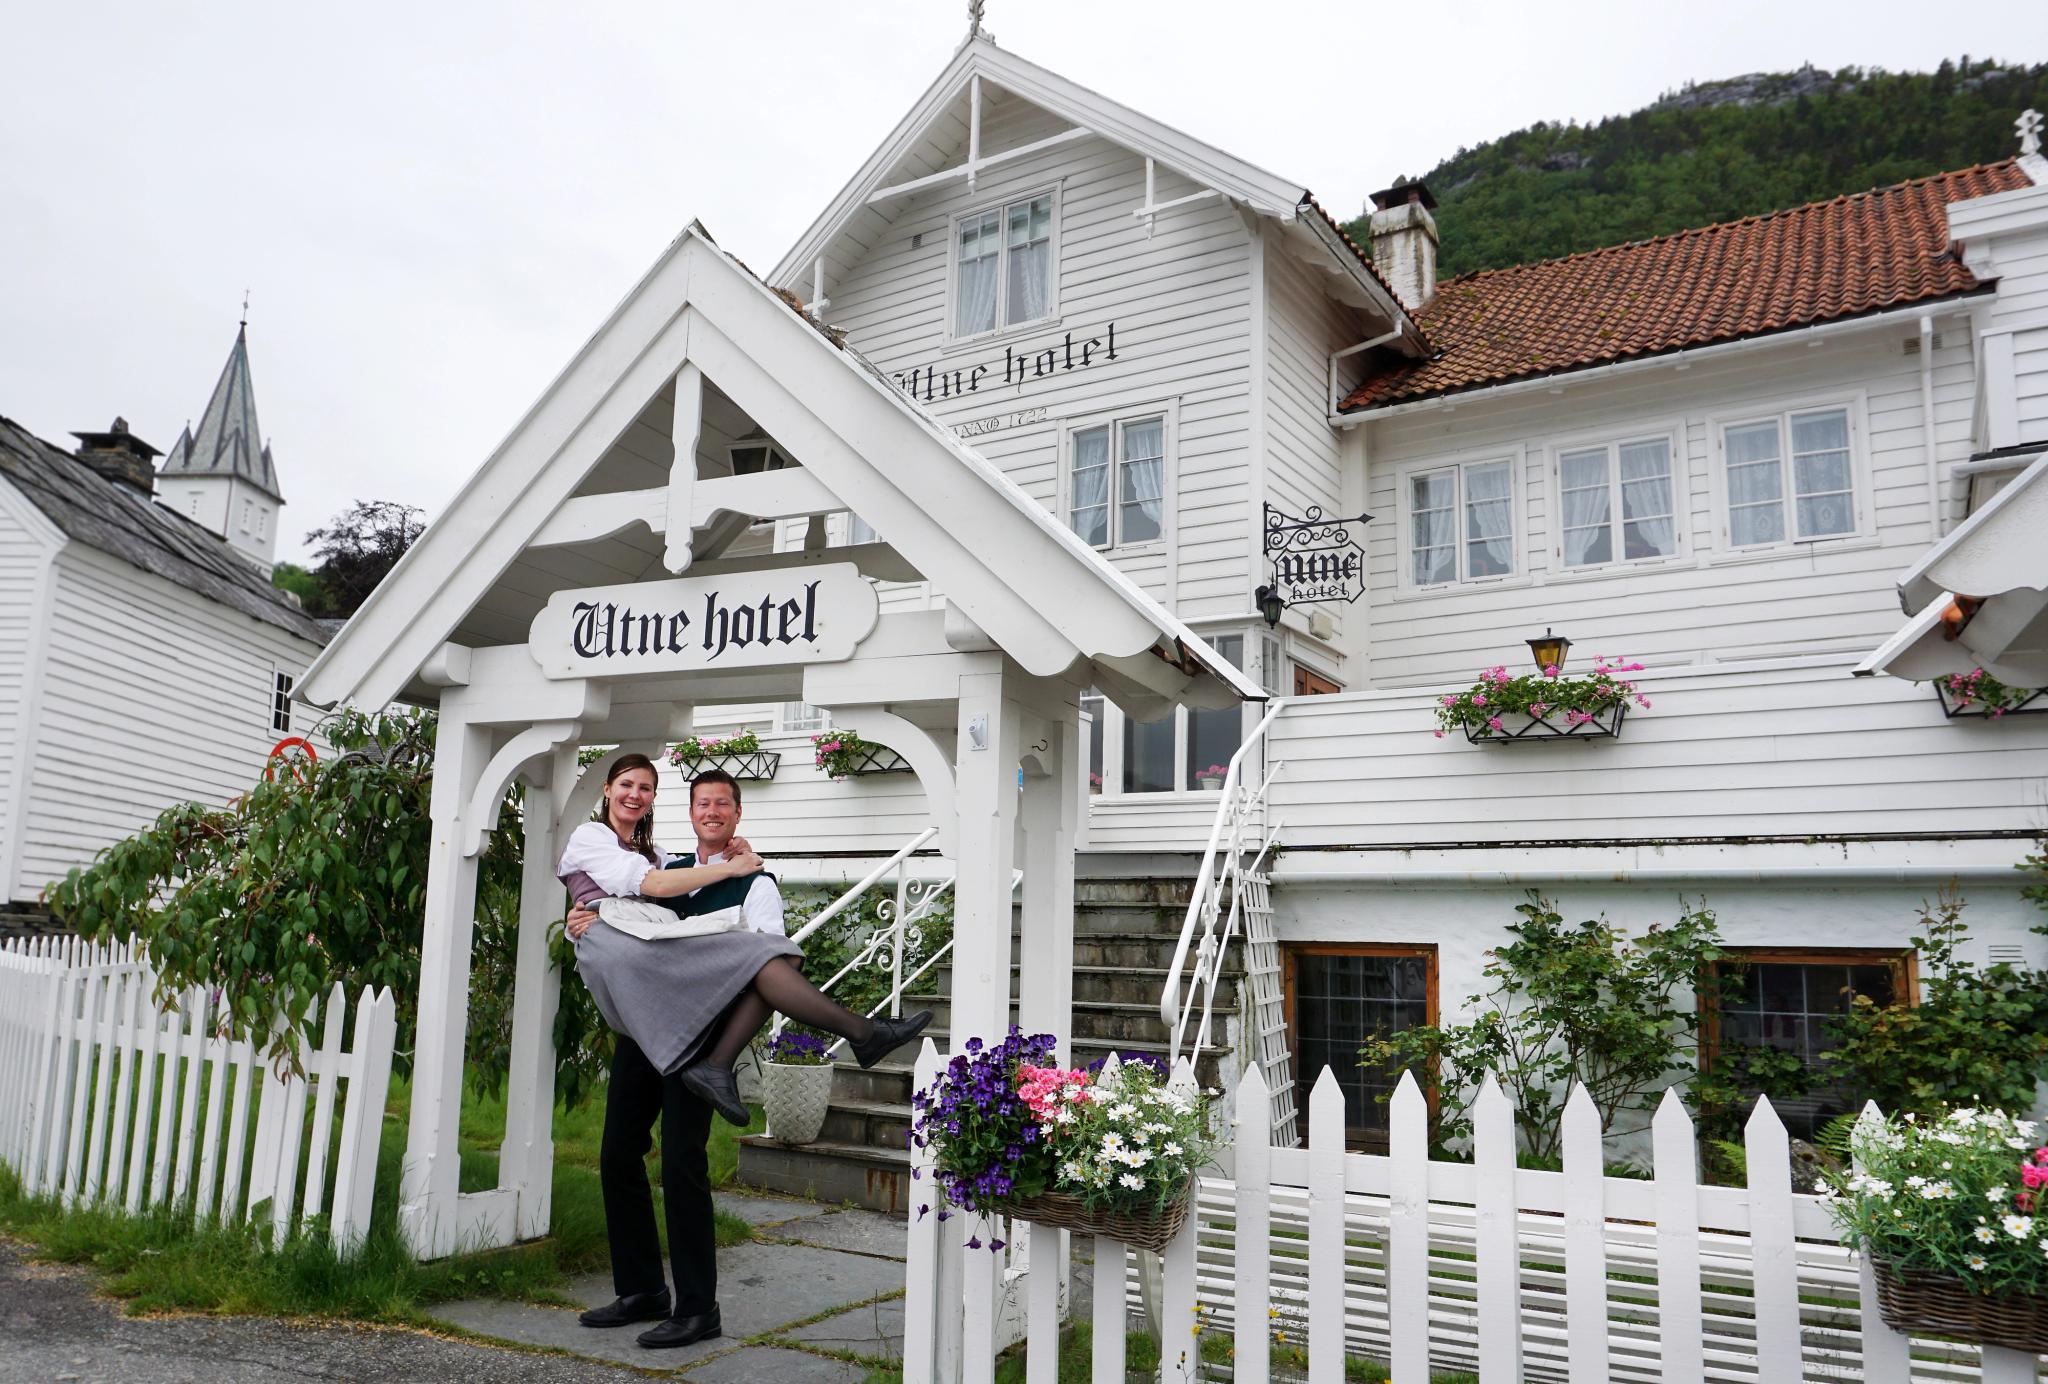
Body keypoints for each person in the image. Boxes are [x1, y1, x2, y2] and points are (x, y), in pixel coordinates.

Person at [560, 755, 929, 1349]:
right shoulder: (666, 864)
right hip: (642, 1027)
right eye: (701, 803)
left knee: (682, 1164)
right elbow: (644, 904)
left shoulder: (754, 880)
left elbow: (765, 960)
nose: (711, 812)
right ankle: (641, 1289)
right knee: (618, 1154)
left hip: (700, 1034)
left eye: (722, 804)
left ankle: (698, 1308)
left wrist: (739, 867)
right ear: (688, 812)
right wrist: (588, 913)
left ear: (737, 814)